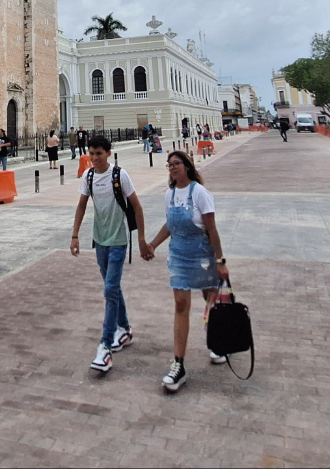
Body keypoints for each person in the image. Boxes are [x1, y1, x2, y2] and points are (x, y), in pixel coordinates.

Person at [146, 150, 229, 393]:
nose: (172, 168)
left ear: (187, 166)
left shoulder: (200, 193)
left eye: (177, 163)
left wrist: (220, 260)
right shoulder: (169, 195)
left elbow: (212, 229)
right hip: (179, 256)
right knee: (181, 305)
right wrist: (152, 244)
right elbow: (169, 225)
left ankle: (217, 343)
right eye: (169, 165)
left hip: (202, 255)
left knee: (210, 300)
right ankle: (178, 364)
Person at [71, 136, 151, 374]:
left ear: (108, 153)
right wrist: (75, 236)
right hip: (100, 240)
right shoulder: (89, 176)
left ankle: (105, 346)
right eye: (92, 153)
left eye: (99, 153)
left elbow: (136, 206)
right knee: (112, 287)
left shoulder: (120, 175)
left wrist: (140, 238)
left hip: (118, 240)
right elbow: (81, 205)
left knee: (109, 289)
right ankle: (124, 328)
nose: (95, 158)